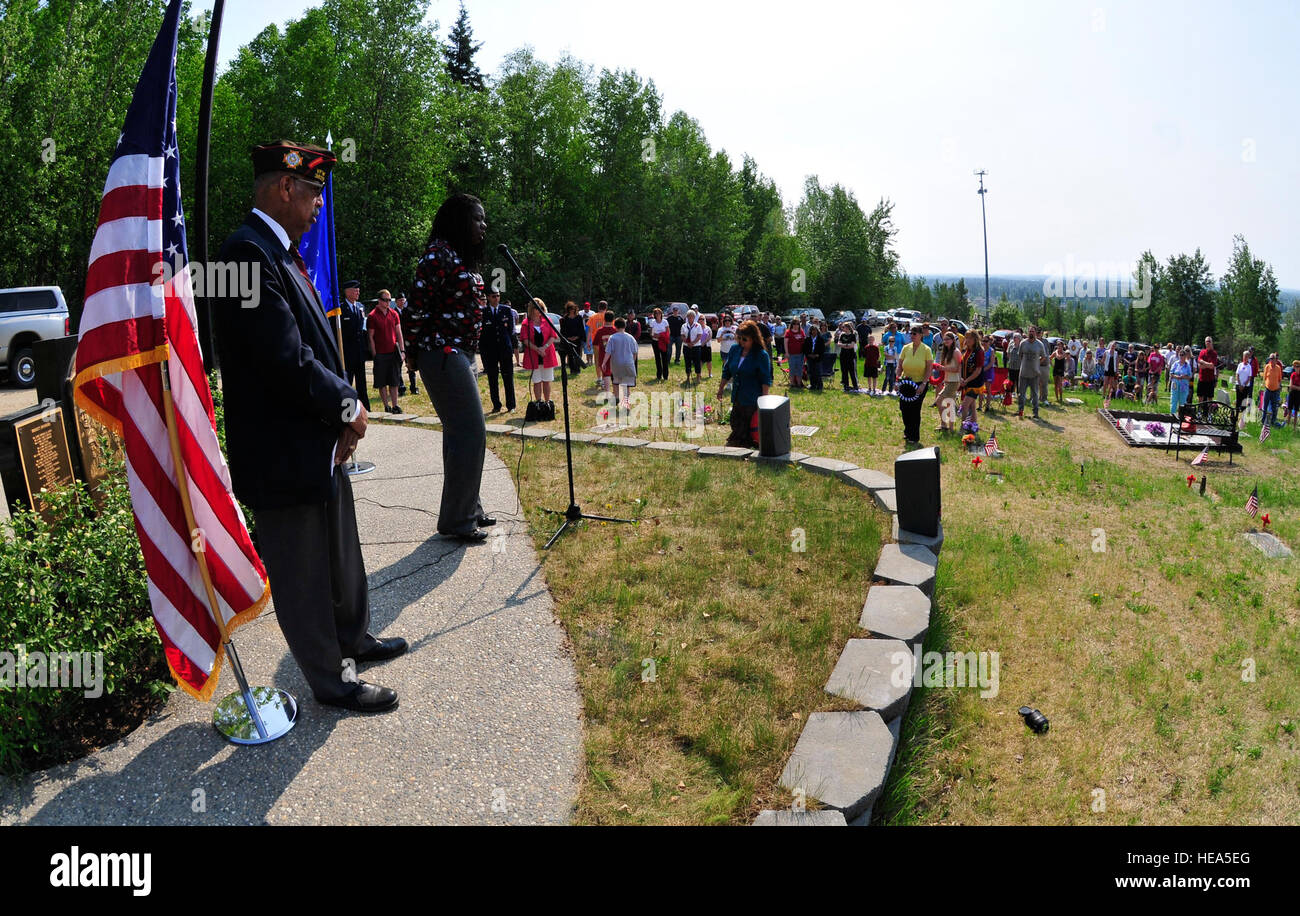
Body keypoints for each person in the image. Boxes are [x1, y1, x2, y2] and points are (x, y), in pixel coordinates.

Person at [213, 139, 404, 713]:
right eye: (313, 192)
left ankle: (352, 639)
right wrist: (348, 405)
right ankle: (332, 679)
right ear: (282, 188)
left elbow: (315, 347)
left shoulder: (281, 252)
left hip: (316, 439)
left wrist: (341, 407)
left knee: (340, 552)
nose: (320, 204)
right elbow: (285, 359)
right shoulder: (244, 257)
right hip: (281, 450)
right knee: (302, 571)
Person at [404, 191, 495, 543]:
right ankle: (457, 519)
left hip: (462, 352)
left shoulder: (459, 255)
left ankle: (468, 507)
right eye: (477, 219)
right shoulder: (438, 255)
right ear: (459, 221)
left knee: (461, 434)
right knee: (471, 432)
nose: (483, 226)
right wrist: (411, 353)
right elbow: (416, 309)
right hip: (441, 351)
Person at [717, 320, 772, 448]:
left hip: (752, 398)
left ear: (753, 338)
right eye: (739, 338)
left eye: (745, 339)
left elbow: (765, 379)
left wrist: (764, 401)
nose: (741, 341)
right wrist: (721, 388)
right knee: (736, 422)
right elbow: (727, 371)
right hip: (737, 395)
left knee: (748, 428)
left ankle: (747, 450)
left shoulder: (761, 355)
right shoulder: (735, 349)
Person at [478, 288, 519, 413]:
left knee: (508, 377)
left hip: (504, 349)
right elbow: (482, 333)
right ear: (489, 298)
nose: (496, 298)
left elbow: (510, 330)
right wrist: (483, 352)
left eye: (498, 296)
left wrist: (512, 347)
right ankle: (496, 404)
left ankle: (511, 405)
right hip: (490, 350)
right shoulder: (483, 312)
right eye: (494, 296)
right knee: (493, 378)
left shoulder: (506, 310)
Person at [367, 289, 406, 414]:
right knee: (382, 381)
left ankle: (395, 405)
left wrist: (402, 350)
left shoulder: (394, 314)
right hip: (380, 353)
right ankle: (386, 405)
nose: (388, 302)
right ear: (379, 300)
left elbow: (399, 333)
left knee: (394, 380)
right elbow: (370, 337)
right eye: (385, 300)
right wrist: (374, 354)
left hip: (393, 352)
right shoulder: (372, 316)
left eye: (389, 300)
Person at [897, 326, 933, 445]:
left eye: (914, 334)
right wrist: (897, 380)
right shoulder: (906, 348)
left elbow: (929, 368)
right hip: (905, 382)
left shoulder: (926, 349)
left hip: (919, 384)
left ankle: (914, 436)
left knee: (914, 409)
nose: (912, 336)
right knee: (904, 408)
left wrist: (923, 384)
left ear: (920, 335)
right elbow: (900, 365)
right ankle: (907, 431)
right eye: (911, 333)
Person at [339, 280, 371, 412]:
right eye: (355, 289)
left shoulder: (360, 307)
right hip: (347, 353)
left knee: (362, 382)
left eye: (358, 289)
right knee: (348, 382)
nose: (358, 292)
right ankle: (348, 410)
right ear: (347, 291)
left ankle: (365, 409)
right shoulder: (340, 309)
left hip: (359, 352)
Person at [521, 298, 560, 405]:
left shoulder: (548, 321)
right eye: (538, 308)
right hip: (533, 355)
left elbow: (553, 336)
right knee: (537, 381)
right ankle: (538, 402)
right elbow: (525, 339)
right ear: (532, 309)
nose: (540, 310)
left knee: (547, 381)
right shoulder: (526, 323)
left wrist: (544, 347)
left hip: (547, 354)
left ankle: (547, 402)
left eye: (542, 308)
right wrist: (537, 349)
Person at [603, 316, 639, 409]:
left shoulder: (612, 338)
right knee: (627, 385)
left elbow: (608, 352)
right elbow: (635, 352)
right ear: (625, 326)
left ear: (615, 326)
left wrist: (604, 363)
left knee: (616, 382)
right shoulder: (630, 337)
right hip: (628, 363)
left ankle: (616, 397)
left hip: (616, 364)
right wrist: (632, 361)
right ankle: (626, 404)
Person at [1017, 327, 1047, 419]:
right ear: (1028, 332)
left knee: (1035, 394)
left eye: (1033, 331)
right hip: (1023, 373)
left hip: (1034, 374)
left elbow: (1043, 357)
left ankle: (1035, 413)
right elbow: (1020, 355)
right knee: (1021, 394)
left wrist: (1037, 364)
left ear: (1035, 333)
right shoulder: (1023, 343)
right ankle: (1020, 411)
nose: (1031, 333)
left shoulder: (1040, 344)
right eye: (1030, 331)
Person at [936, 331, 961, 432]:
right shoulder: (947, 351)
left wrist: (943, 368)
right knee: (949, 404)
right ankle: (950, 427)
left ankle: (944, 424)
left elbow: (957, 368)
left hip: (954, 381)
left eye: (948, 339)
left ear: (953, 340)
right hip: (948, 380)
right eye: (944, 339)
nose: (945, 341)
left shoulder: (956, 351)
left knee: (939, 400)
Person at [592, 310, 617, 394]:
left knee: (605, 374)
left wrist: (598, 353)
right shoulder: (616, 330)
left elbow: (595, 344)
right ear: (613, 319)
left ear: (604, 319)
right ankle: (616, 392)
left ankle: (607, 393)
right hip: (615, 356)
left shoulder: (599, 331)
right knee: (615, 374)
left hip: (603, 355)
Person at [560, 301, 586, 377]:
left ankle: (577, 369)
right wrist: (568, 338)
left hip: (577, 339)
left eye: (573, 309)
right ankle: (572, 369)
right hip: (568, 340)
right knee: (570, 355)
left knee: (578, 354)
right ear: (568, 309)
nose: (572, 310)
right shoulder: (565, 319)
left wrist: (577, 337)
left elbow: (581, 329)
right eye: (570, 309)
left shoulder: (579, 318)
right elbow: (563, 330)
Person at [648, 307, 670, 381]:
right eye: (656, 313)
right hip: (655, 342)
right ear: (654, 314)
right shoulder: (652, 322)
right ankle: (659, 375)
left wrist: (660, 335)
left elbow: (668, 332)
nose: (658, 314)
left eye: (659, 313)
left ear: (661, 314)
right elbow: (651, 333)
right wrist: (655, 335)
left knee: (664, 358)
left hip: (663, 342)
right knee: (657, 358)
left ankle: (666, 375)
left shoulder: (665, 322)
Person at [682, 309, 705, 384]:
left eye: (692, 316)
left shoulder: (698, 325)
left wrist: (693, 343)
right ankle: (688, 377)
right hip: (686, 346)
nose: (690, 318)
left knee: (697, 362)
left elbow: (699, 335)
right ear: (687, 317)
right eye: (689, 316)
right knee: (687, 362)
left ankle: (698, 377)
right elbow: (682, 335)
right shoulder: (684, 326)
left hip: (696, 346)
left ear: (694, 317)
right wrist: (687, 342)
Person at [1261, 352, 1284, 426]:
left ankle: (1273, 422)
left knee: (1274, 408)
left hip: (1275, 391)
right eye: (1270, 358)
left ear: (1275, 359)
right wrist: (1264, 384)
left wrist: (1279, 387)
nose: (1271, 360)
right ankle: (1263, 421)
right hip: (1267, 389)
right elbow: (1264, 378)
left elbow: (1280, 379)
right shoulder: (1267, 367)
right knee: (1265, 406)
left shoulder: (1278, 368)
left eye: (1272, 358)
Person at [836, 320, 859, 391]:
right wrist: (846, 345)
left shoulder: (852, 335)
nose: (843, 328)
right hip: (843, 355)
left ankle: (855, 386)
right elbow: (838, 344)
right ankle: (846, 385)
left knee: (852, 371)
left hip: (851, 355)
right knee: (844, 370)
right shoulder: (842, 335)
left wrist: (844, 345)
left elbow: (852, 345)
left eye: (844, 327)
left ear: (848, 328)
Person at [1170, 347, 1194, 415]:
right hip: (1175, 384)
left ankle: (1181, 416)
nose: (1181, 356)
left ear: (1185, 356)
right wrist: (1177, 377)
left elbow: (1190, 376)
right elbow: (1171, 373)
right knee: (1174, 400)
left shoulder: (1187, 365)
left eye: (1182, 354)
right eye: (1180, 354)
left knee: (1182, 401)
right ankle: (1172, 415)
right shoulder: (1175, 364)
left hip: (1184, 385)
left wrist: (1184, 377)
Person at [784, 316, 806, 388]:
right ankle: (792, 383)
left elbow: (804, 341)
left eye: (797, 324)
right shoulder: (788, 332)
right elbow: (785, 343)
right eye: (794, 324)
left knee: (799, 369)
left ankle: (799, 383)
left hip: (800, 354)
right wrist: (786, 353)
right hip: (791, 354)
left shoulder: (801, 331)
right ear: (792, 324)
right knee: (792, 369)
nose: (796, 325)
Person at [1196, 337, 1219, 403]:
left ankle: (1209, 412)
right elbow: (1200, 366)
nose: (1208, 343)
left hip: (1210, 379)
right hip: (1202, 378)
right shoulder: (1202, 352)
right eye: (1206, 341)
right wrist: (1207, 365)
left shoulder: (1214, 353)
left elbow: (1212, 366)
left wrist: (1203, 362)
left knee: (1210, 397)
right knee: (1200, 396)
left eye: (1209, 341)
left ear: (1212, 343)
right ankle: (1200, 411)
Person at [807, 319, 827, 392]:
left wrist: (817, 355)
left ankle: (819, 385)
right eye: (812, 330)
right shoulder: (808, 339)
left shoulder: (820, 339)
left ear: (817, 331)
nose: (814, 331)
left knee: (817, 372)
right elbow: (805, 348)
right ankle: (813, 385)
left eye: (815, 330)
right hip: (810, 358)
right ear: (810, 331)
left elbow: (822, 349)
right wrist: (809, 354)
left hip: (818, 358)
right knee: (811, 372)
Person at [1100, 340, 1121, 406]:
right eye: (1112, 346)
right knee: (1105, 382)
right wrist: (1103, 364)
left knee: (1111, 383)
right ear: (1110, 346)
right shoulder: (1106, 352)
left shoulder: (1116, 353)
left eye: (1114, 346)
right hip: (1107, 368)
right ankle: (1103, 394)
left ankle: (1108, 395)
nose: (1113, 347)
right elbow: (1103, 360)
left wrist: (1117, 370)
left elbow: (1117, 362)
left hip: (1113, 369)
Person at [881, 328, 899, 395]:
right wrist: (890, 356)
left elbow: (894, 356)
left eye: (892, 341)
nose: (891, 342)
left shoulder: (895, 348)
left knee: (892, 377)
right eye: (890, 341)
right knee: (887, 376)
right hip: (887, 363)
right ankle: (883, 389)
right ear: (888, 341)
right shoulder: (886, 347)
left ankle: (890, 390)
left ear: (894, 341)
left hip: (893, 364)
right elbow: (885, 355)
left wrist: (889, 356)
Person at [1051, 338, 1067, 404]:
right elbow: (1050, 358)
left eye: (1060, 345)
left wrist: (1057, 351)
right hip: (1055, 369)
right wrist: (1052, 365)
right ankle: (1057, 398)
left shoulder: (1064, 353)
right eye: (1058, 345)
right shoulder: (1055, 352)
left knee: (1060, 384)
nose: (1059, 347)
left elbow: (1059, 357)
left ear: (1063, 346)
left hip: (1061, 369)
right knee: (1055, 384)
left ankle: (1061, 398)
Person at [1287, 361, 1300, 430]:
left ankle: (1294, 427)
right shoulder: (1293, 374)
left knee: (1296, 411)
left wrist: (1295, 387)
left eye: (1298, 367)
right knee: (1289, 410)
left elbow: (1292, 386)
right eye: (1295, 367)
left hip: (1298, 395)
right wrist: (1298, 387)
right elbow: (1290, 386)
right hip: (1292, 393)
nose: (1296, 368)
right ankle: (1288, 425)